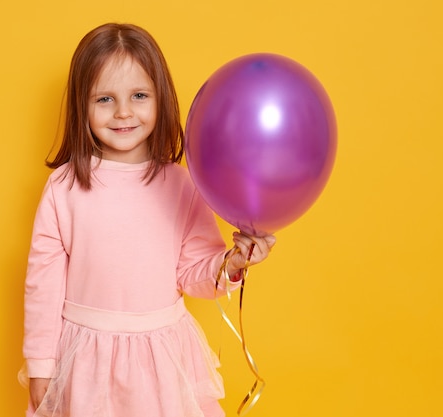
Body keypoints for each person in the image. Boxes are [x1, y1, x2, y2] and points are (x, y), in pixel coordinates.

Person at [19, 22, 276, 417]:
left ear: (161, 99)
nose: (123, 112)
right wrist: (40, 364)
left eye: (139, 95)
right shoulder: (64, 187)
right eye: (104, 99)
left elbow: (193, 271)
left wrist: (233, 264)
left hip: (161, 356)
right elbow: (43, 283)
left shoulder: (181, 184)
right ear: (80, 106)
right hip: (87, 356)